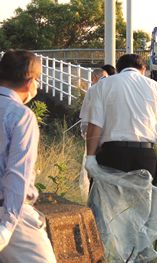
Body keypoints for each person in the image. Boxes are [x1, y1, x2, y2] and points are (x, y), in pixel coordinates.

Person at [83, 54, 157, 187]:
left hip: (112, 154)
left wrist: (90, 157)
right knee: (142, 204)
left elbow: (94, 125)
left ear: (118, 69)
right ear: (143, 69)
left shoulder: (103, 85)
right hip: (145, 155)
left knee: (108, 203)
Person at [0, 50, 57, 262]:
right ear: (30, 82)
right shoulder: (20, 115)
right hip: (11, 215)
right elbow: (16, 174)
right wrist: (7, 226)